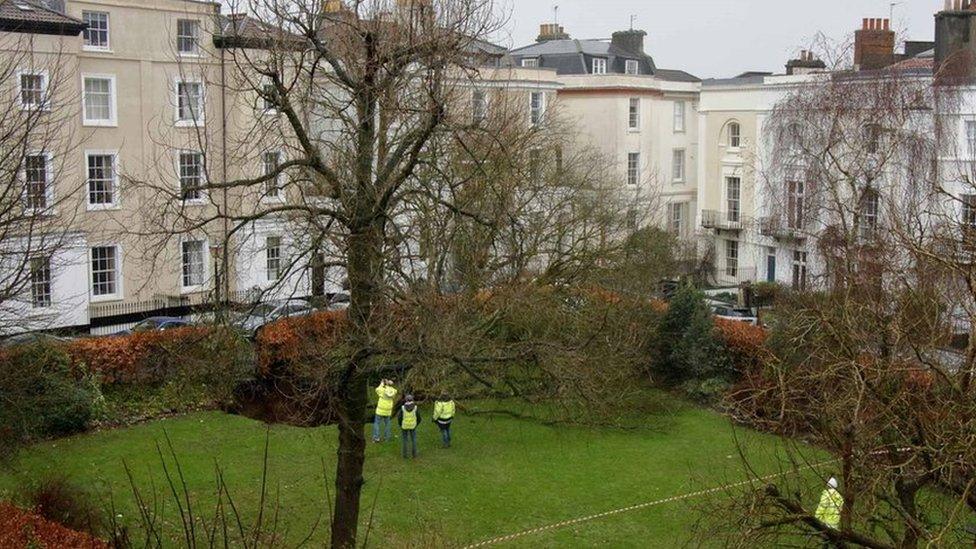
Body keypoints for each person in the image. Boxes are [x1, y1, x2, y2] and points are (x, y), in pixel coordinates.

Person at [815, 477, 844, 546]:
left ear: (828, 485)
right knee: (835, 542)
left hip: (826, 523)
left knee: (825, 542)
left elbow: (821, 508)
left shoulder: (826, 495)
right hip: (835, 524)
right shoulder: (839, 497)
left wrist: (816, 519)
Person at [397, 394, 421, 459]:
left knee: (405, 440)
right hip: (413, 426)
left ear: (406, 400)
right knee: (414, 440)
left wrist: (401, 425)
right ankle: (414, 454)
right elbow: (419, 418)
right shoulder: (415, 408)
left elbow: (399, 418)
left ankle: (405, 455)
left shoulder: (402, 408)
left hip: (404, 426)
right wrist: (416, 424)